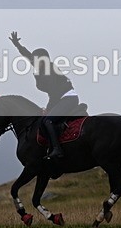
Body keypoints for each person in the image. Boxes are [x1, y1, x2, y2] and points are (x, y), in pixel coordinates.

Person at [9, 31, 79, 160]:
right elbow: (27, 55)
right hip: (61, 98)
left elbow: (54, 93)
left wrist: (48, 108)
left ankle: (57, 149)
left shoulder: (49, 70)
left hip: (67, 98)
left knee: (48, 120)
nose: (34, 61)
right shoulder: (41, 67)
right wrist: (17, 44)